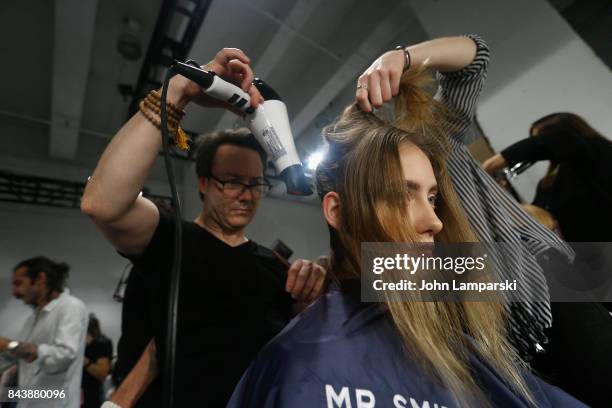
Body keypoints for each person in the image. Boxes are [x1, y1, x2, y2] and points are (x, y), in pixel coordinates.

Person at [228, 35, 584, 407]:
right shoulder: (317, 351)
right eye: (403, 194)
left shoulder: (436, 148)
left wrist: (404, 57)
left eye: (433, 197)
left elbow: (474, 60)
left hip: (543, 304)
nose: (436, 220)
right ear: (337, 210)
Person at [81, 48, 326, 407]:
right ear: (204, 183)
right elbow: (102, 204)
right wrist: (180, 91)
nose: (246, 195)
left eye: (255, 184)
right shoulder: (168, 239)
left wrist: (306, 301)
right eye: (231, 181)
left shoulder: (274, 268)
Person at [482, 112, 612, 243]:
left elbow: (556, 142)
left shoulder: (595, 150)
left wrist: (489, 165)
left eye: (538, 138)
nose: (537, 149)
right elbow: (541, 216)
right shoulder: (548, 183)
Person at [0, 257, 88, 408]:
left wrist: (9, 344)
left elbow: (63, 356)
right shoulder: (32, 319)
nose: (15, 293)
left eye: (18, 283)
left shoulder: (70, 307)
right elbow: (23, 361)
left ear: (41, 279)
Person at [81, 314, 112, 408]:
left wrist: (84, 361)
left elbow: (102, 374)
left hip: (95, 398)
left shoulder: (101, 344)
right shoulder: (81, 346)